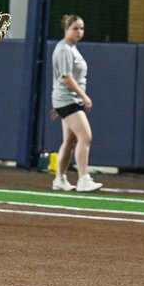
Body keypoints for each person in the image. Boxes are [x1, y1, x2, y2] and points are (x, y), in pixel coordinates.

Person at [50, 14, 102, 193]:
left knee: (70, 140)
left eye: (81, 28)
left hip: (66, 100)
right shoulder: (64, 49)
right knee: (85, 137)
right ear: (66, 29)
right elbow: (66, 77)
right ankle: (83, 179)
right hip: (68, 99)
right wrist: (84, 97)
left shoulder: (71, 48)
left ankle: (60, 179)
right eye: (75, 28)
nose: (79, 32)